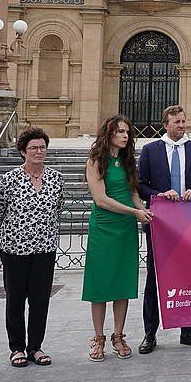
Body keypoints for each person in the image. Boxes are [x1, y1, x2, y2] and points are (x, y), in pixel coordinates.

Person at [136, 105, 191, 354]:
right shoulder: (150, 150)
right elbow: (140, 185)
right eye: (177, 122)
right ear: (165, 124)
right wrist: (158, 194)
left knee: (189, 277)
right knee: (154, 278)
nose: (182, 126)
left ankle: (188, 330)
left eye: (183, 121)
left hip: (189, 224)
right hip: (161, 225)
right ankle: (150, 333)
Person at [83, 115, 153, 361]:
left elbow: (133, 192)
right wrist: (135, 212)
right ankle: (98, 337)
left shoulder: (126, 161)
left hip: (125, 227)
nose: (125, 136)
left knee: (123, 283)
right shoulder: (95, 161)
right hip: (104, 227)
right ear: (108, 134)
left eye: (127, 132)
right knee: (100, 283)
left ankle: (118, 335)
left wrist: (143, 210)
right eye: (120, 132)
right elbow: (100, 199)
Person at [0, 127, 63, 369]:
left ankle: (36, 346)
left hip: (45, 248)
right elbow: (0, 212)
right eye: (34, 148)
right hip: (15, 248)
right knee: (15, 299)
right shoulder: (10, 179)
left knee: (40, 299)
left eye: (42, 147)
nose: (39, 151)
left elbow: (57, 208)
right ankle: (17, 347)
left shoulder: (56, 178)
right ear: (23, 151)